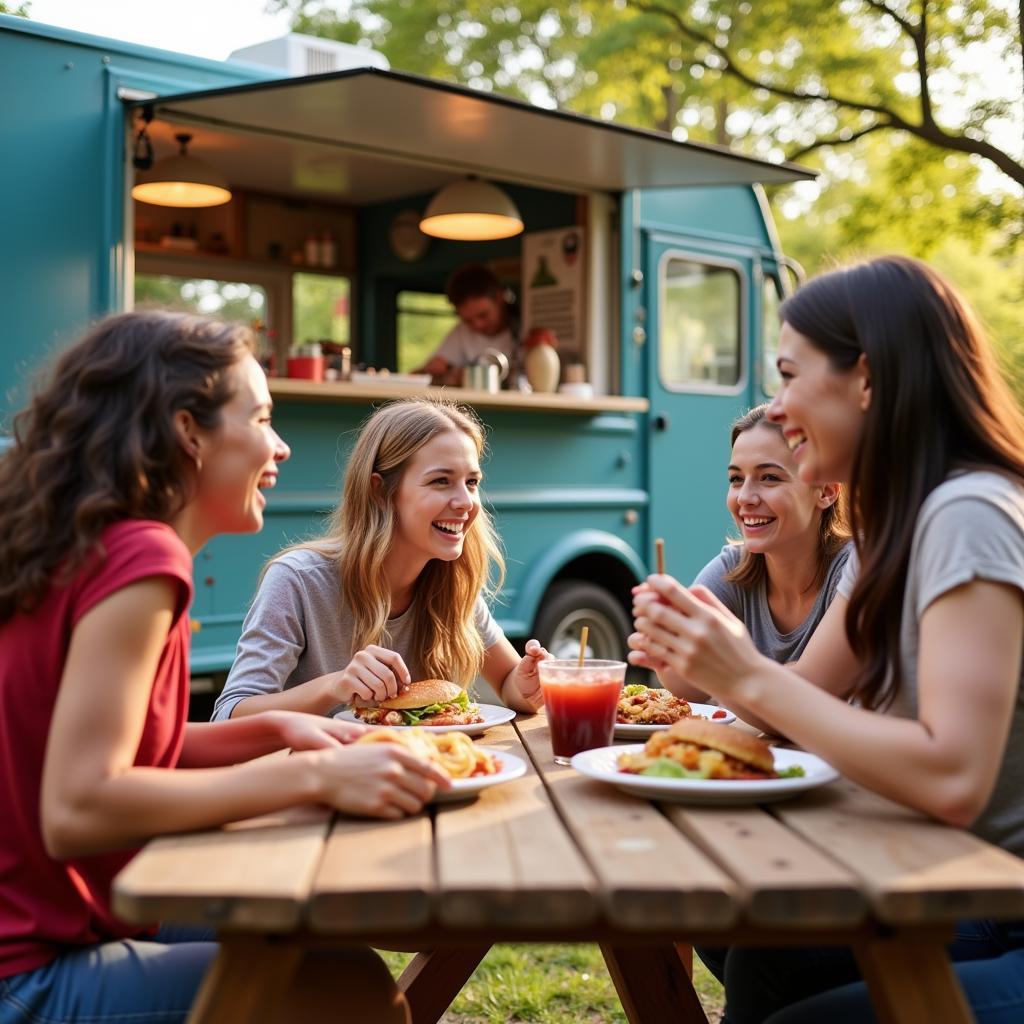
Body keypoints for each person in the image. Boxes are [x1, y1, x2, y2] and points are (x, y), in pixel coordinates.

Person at [0, 310, 450, 1024]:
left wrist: (285, 734)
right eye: (262, 417)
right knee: (354, 996)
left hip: (79, 922)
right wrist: (311, 776)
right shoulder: (143, 561)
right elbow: (78, 806)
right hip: (30, 967)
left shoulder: (97, 546)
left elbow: (144, 750)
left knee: (336, 959)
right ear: (189, 432)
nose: (281, 446)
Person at [630, 256, 1024, 1024]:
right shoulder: (891, 531)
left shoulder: (967, 512)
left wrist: (741, 675)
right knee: (756, 952)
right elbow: (796, 702)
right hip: (938, 875)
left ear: (867, 380)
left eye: (788, 375)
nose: (777, 410)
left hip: (999, 901)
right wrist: (713, 667)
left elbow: (953, 778)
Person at [212, 396, 548, 723]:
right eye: (441, 481)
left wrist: (527, 682)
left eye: (472, 482)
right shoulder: (298, 580)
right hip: (319, 774)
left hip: (423, 772)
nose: (465, 502)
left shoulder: (453, 581)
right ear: (380, 491)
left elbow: (507, 683)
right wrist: (334, 686)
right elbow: (229, 716)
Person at [657, 402, 848, 708]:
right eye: (736, 479)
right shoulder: (733, 566)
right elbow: (688, 689)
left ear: (826, 491)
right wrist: (665, 647)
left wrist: (725, 671)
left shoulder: (854, 570)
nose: (745, 497)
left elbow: (808, 695)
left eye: (769, 477)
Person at [413, 263, 518, 385]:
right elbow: (418, 375)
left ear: (500, 298)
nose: (477, 325)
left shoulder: (525, 327)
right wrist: (431, 370)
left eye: (483, 315)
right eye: (468, 320)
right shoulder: (462, 332)